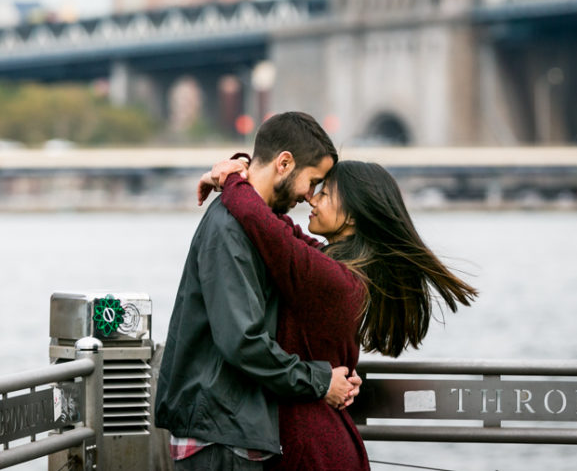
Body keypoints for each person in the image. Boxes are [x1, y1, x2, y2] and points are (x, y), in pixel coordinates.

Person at [198, 158, 478, 470]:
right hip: (322, 438)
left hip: (312, 446)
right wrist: (245, 169)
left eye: (326, 194)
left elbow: (259, 221)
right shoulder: (334, 269)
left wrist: (232, 179)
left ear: (354, 217)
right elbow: (276, 224)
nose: (311, 198)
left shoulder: (328, 277)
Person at [155, 112, 361, 471]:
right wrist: (320, 380)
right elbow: (242, 340)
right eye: (311, 182)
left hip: (230, 429)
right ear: (285, 163)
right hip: (221, 436)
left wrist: (237, 173)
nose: (307, 197)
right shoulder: (232, 228)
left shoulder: (252, 223)